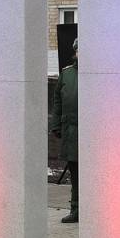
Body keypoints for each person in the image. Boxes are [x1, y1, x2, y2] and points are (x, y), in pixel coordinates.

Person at [51, 42, 79, 223]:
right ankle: (76, 209)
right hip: (70, 131)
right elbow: (57, 101)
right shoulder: (67, 73)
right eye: (77, 49)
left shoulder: (99, 74)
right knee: (75, 172)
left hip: (92, 134)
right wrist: (56, 126)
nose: (79, 52)